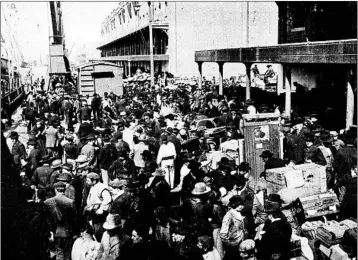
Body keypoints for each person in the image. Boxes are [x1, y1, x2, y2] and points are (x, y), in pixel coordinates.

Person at [44, 181, 78, 260]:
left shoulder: (47, 202)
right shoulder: (70, 202)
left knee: (59, 253)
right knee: (67, 254)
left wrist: (50, 231)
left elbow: (46, 220)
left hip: (55, 232)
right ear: (65, 189)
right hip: (68, 233)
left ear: (55, 190)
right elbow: (74, 220)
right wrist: (75, 232)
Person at [85, 172, 112, 241]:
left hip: (100, 216)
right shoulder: (93, 187)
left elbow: (108, 200)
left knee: (99, 232)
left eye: (88, 180)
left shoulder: (102, 188)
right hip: (93, 214)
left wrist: (101, 208)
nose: (86, 182)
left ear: (94, 181)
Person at [220, 195, 247, 260]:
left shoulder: (239, 213)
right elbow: (223, 234)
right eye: (238, 204)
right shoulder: (229, 216)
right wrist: (230, 244)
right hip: (233, 245)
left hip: (240, 242)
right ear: (234, 205)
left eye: (242, 204)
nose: (241, 206)